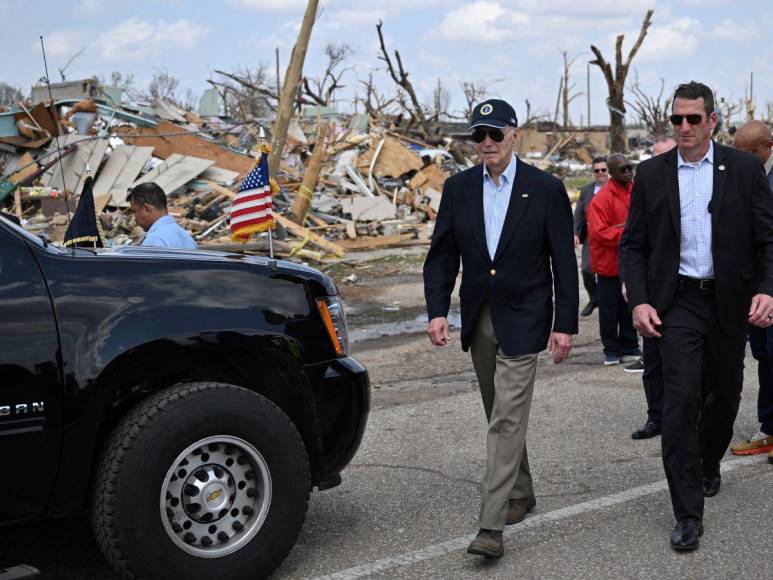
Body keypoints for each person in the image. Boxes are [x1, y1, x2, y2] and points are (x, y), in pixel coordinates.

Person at [621, 81, 773, 552]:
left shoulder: (745, 170)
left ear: (711, 121)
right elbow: (633, 245)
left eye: (692, 119)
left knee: (725, 396)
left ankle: (709, 461)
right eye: (676, 119)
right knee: (679, 400)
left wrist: (767, 289)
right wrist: (640, 300)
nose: (683, 127)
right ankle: (687, 513)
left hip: (728, 301)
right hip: (678, 302)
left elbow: (768, 240)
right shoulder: (650, 174)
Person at [423, 98, 578, 559]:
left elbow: (564, 264)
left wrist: (564, 324)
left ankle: (490, 527)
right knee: (499, 412)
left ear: (515, 134)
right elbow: (443, 255)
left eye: (494, 134)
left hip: (527, 314)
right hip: (479, 315)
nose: (486, 143)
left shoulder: (545, 188)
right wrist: (437, 310)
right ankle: (521, 492)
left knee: (506, 417)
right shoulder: (459, 188)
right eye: (478, 136)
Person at [731, 120, 773, 463]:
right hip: (752, 287)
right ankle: (769, 427)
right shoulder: (744, 176)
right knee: (763, 356)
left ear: (767, 146)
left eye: (748, 152)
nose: (741, 158)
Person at [629, 135, 676, 439]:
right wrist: (634, 291)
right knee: (653, 363)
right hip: (653, 295)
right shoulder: (646, 192)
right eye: (655, 158)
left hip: (686, 295)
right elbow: (632, 246)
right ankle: (656, 416)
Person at [586, 154, 640, 366]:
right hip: (608, 264)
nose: (628, 172)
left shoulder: (635, 191)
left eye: (630, 167)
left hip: (630, 262)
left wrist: (625, 230)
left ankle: (630, 344)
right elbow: (600, 233)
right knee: (609, 309)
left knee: (630, 305)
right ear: (611, 172)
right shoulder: (601, 199)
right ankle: (611, 348)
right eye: (622, 169)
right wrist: (627, 233)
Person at [574, 157, 608, 316]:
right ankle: (595, 299)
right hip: (591, 237)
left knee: (608, 273)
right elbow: (579, 213)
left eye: (603, 170)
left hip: (611, 238)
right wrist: (575, 233)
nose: (600, 173)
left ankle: (611, 302)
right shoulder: (586, 191)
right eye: (597, 170)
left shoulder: (615, 188)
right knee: (587, 269)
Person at [127, 182, 198, 249]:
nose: (134, 218)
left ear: (146, 208)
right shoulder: (186, 237)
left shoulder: (154, 241)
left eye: (134, 211)